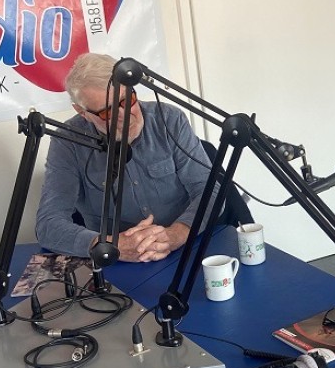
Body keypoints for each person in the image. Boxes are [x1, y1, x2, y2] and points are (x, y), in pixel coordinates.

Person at [36, 53, 214, 262]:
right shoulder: (68, 142)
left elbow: (209, 190)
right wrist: (110, 245)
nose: (124, 114)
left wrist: (177, 234)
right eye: (107, 112)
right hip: (117, 261)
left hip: (185, 248)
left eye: (127, 100)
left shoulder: (169, 119)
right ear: (82, 112)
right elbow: (48, 224)